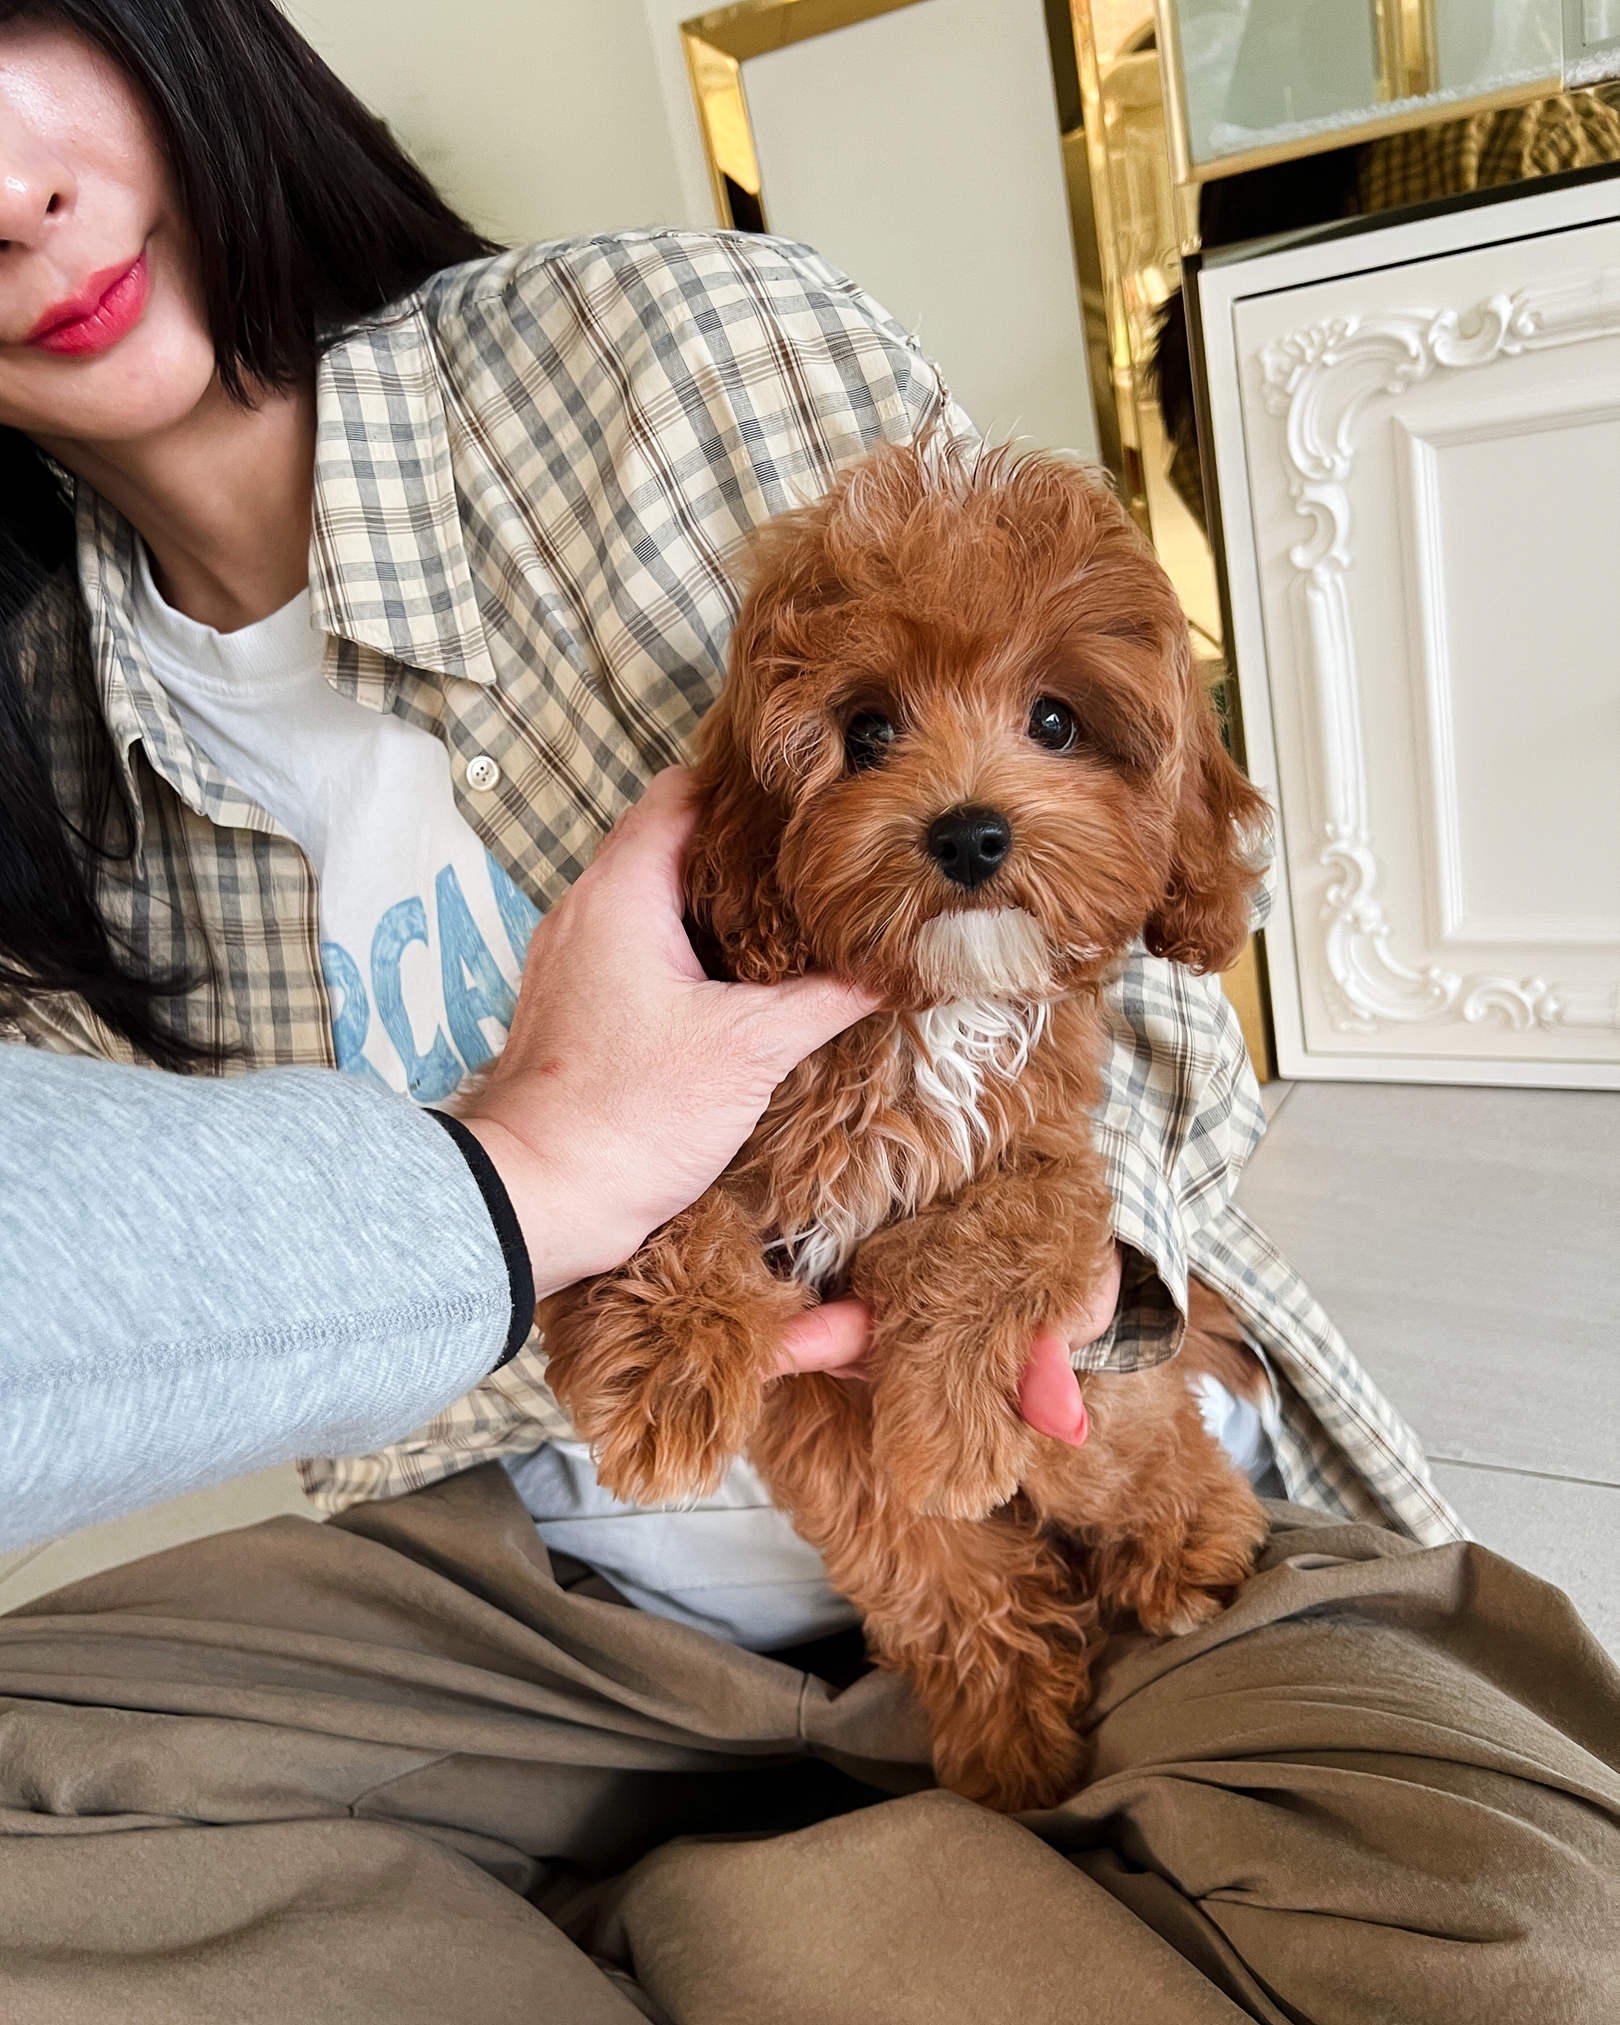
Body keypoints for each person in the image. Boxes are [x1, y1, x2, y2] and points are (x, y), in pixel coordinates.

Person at [0, 5, 1614, 2020]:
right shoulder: (30, 740)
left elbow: (1132, 966)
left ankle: (742, 1906)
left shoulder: (675, 351)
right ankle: (800, 1901)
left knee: (1527, 1940)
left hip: (1084, 1457)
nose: (8, 198)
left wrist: (1055, 1290)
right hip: (545, 1580)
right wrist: (529, 1188)